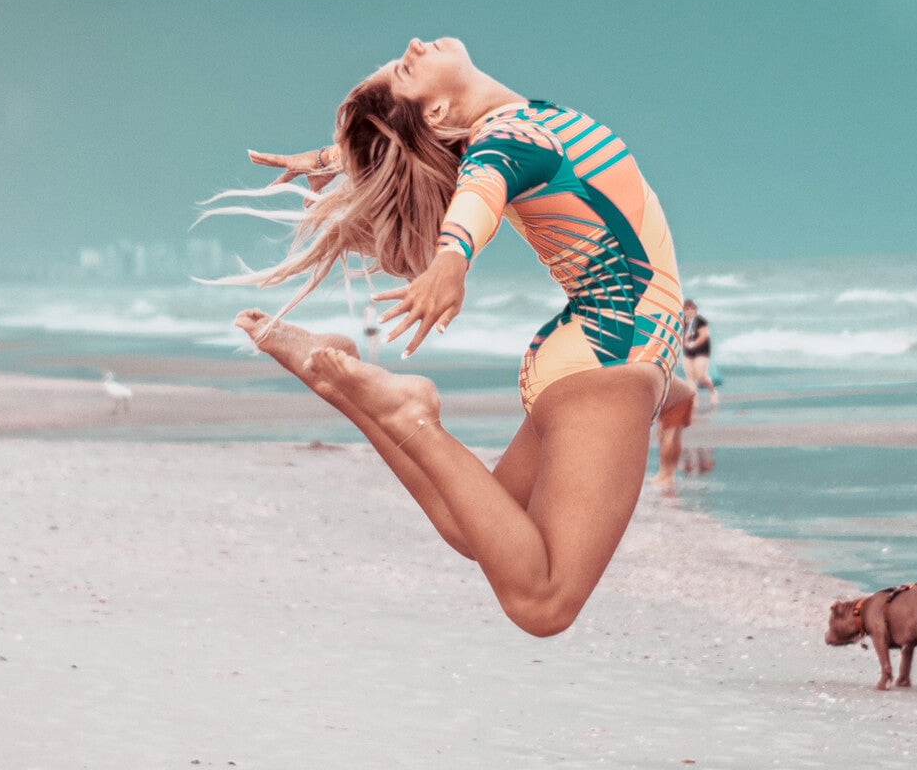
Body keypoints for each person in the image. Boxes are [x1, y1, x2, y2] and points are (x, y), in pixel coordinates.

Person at [212, 37, 685, 637]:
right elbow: (481, 188)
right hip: (611, 353)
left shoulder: (511, 129)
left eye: (399, 62)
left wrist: (333, 158)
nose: (411, 46)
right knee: (542, 604)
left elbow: (458, 162)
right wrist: (452, 259)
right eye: (407, 71)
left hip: (590, 354)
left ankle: (346, 387)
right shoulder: (510, 138)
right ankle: (413, 417)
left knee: (477, 527)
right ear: (436, 112)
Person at [649, 374, 697, 496]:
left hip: (675, 400)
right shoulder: (660, 372)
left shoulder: (653, 378)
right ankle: (669, 475)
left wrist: (659, 422)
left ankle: (664, 475)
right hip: (687, 395)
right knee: (675, 436)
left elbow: (657, 400)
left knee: (667, 436)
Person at [682, 299, 719, 407]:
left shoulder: (700, 321)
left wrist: (693, 344)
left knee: (701, 375)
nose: (689, 312)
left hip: (701, 352)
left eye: (691, 309)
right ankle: (693, 402)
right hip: (688, 353)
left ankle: (713, 391)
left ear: (695, 310)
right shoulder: (683, 322)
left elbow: (704, 336)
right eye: (686, 309)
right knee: (690, 378)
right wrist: (685, 341)